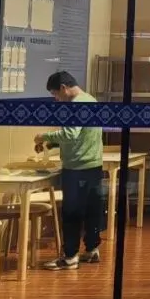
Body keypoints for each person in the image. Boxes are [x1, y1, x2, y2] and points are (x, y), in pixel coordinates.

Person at [34, 71, 104, 271]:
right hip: (93, 165)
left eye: (55, 94)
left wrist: (44, 136)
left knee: (72, 213)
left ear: (63, 88)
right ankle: (92, 250)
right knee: (91, 211)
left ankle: (70, 256)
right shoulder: (90, 99)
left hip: (77, 167)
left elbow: (71, 134)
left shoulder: (75, 105)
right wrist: (52, 143)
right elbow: (81, 135)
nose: (56, 99)